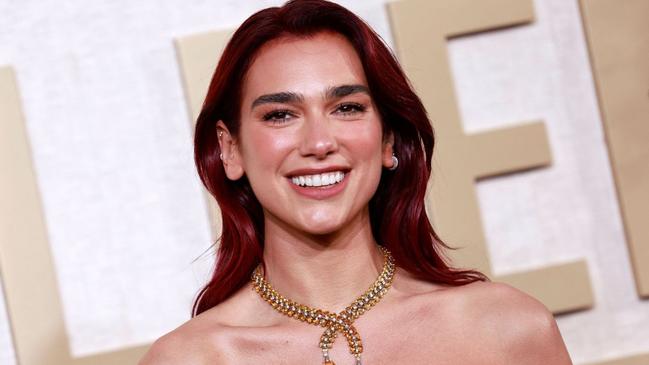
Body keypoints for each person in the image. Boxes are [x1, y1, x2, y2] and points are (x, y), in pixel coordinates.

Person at [140, 0, 572, 364]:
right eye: (280, 115)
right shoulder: (189, 359)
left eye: (346, 107)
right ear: (230, 149)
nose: (319, 142)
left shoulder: (507, 330)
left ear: (387, 139)